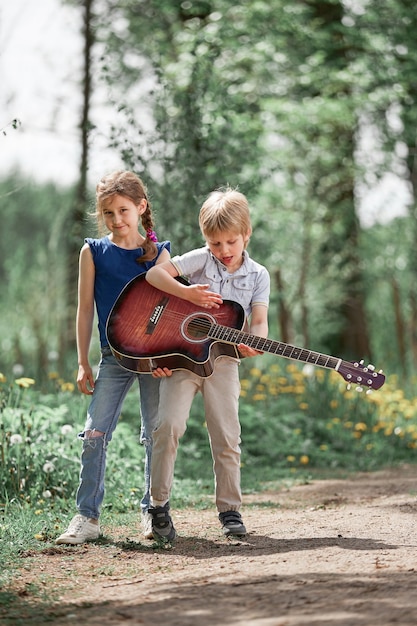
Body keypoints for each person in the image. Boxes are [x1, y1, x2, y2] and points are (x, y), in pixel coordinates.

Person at [145, 187, 270, 542]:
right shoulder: (201, 260)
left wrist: (254, 340)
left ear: (247, 234)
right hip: (183, 360)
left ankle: (230, 509)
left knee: (227, 435)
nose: (224, 251)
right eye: (215, 244)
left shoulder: (259, 275)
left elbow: (259, 321)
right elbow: (155, 276)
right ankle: (158, 506)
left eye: (231, 242)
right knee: (168, 426)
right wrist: (188, 293)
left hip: (224, 363)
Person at [56, 170, 170, 545]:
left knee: (156, 434)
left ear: (140, 208)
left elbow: (171, 310)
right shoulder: (93, 251)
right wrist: (82, 361)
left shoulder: (160, 254)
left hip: (154, 359)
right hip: (112, 357)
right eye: (108, 213)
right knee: (93, 431)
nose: (117, 220)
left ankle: (152, 513)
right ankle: (87, 517)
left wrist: (171, 359)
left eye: (123, 210)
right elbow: (84, 310)